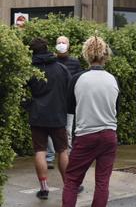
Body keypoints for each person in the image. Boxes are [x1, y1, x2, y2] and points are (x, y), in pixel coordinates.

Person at [62, 36, 119, 207]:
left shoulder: (77, 79)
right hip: (109, 134)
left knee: (72, 180)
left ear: (86, 54)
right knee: (102, 182)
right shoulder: (113, 79)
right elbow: (117, 108)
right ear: (105, 55)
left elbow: (70, 108)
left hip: (86, 135)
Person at [26, 38, 71, 200]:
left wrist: (29, 106)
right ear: (47, 49)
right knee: (63, 150)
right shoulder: (61, 68)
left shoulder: (29, 70)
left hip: (37, 116)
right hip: (58, 116)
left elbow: (22, 94)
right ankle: (69, 186)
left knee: (40, 151)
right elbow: (70, 90)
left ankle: (44, 188)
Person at [46, 36, 83, 169]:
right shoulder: (51, 61)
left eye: (64, 42)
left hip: (68, 102)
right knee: (49, 129)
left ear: (69, 45)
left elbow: (79, 80)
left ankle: (68, 155)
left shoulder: (75, 62)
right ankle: (50, 157)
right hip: (53, 102)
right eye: (59, 43)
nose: (61, 44)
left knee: (67, 130)